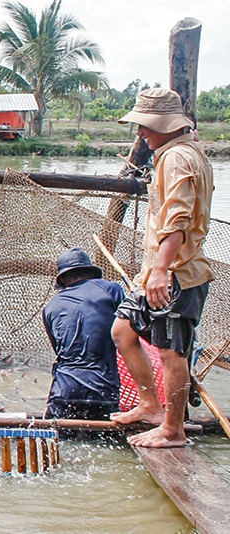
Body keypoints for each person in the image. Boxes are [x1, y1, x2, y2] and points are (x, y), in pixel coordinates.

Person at [110, 88, 214, 448]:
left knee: (173, 353)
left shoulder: (177, 158)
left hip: (176, 274)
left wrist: (160, 270)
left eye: (146, 126)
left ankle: (173, 428)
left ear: (166, 125)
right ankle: (150, 405)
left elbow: (179, 221)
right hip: (158, 270)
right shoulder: (176, 153)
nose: (141, 133)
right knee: (123, 330)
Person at [43, 248, 125, 421]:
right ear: (90, 273)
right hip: (102, 391)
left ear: (63, 279)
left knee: (61, 443)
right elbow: (130, 335)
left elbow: (59, 350)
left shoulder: (50, 306)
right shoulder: (112, 290)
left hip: (63, 392)